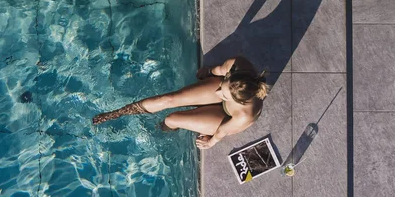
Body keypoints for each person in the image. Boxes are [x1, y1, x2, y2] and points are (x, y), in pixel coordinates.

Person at [92, 56, 270, 149]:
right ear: (229, 76)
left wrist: (211, 142)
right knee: (168, 99)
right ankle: (117, 113)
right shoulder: (236, 64)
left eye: (222, 95)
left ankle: (160, 130)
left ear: (238, 100)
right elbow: (217, 71)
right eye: (221, 85)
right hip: (231, 93)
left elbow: (223, 131)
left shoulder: (244, 115)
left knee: (172, 119)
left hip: (226, 117)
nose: (217, 92)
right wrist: (208, 72)